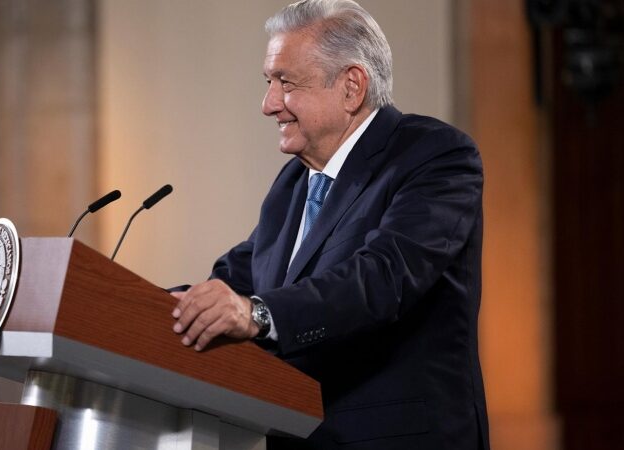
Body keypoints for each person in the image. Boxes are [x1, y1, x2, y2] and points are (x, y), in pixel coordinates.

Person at [170, 0, 489, 448]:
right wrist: (147, 308)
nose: (268, 104)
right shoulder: (295, 182)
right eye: (269, 82)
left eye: (285, 83)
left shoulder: (435, 156)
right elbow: (236, 277)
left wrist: (258, 314)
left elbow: (381, 278)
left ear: (351, 86)